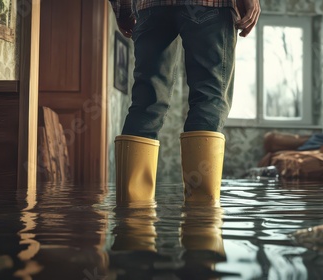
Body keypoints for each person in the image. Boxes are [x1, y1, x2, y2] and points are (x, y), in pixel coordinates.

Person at [110, 0, 260, 204]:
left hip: (150, 7)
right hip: (210, 5)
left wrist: (124, 9)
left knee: (145, 102)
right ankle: (201, 214)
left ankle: (130, 211)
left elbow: (125, 8)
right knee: (209, 97)